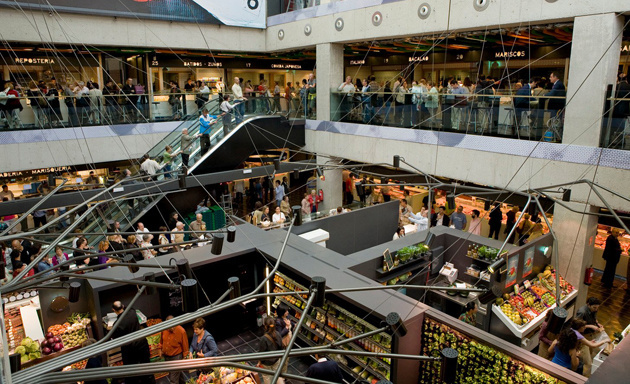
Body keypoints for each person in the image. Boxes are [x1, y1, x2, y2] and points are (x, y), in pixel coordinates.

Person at [111, 301, 155, 384]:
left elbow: (115, 337)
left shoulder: (117, 324)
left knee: (132, 372)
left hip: (130, 349)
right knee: (147, 367)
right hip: (142, 344)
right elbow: (129, 307)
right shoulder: (132, 313)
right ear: (123, 306)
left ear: (113, 310)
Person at [161, 315, 189, 384]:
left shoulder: (181, 331)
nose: (172, 328)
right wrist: (160, 349)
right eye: (170, 326)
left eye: (174, 325)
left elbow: (185, 345)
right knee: (176, 375)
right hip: (167, 357)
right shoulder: (163, 329)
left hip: (176, 357)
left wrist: (185, 357)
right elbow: (161, 341)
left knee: (173, 380)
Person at [258, 316, 284, 384]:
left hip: (267, 362)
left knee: (266, 376)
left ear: (265, 326)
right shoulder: (278, 334)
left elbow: (261, 352)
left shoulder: (264, 339)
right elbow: (281, 347)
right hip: (276, 360)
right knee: (278, 375)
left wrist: (260, 362)